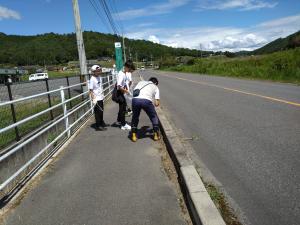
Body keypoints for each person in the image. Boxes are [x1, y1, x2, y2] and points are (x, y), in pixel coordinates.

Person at [130, 77, 160, 142]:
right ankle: (155, 135)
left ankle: (134, 136)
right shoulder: (155, 87)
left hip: (135, 100)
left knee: (135, 117)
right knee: (153, 116)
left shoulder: (141, 82)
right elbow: (157, 103)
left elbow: (135, 91)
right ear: (155, 83)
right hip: (146, 101)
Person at [116, 60, 135, 130]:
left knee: (123, 109)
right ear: (126, 67)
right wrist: (127, 91)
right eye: (129, 69)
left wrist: (126, 90)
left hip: (122, 93)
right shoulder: (121, 74)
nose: (129, 70)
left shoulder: (123, 73)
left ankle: (122, 124)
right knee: (122, 110)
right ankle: (123, 124)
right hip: (120, 94)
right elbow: (119, 86)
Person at [89, 65, 107, 131]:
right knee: (98, 112)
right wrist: (93, 99)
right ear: (93, 72)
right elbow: (90, 90)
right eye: (97, 71)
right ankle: (98, 126)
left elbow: (100, 87)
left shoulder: (99, 77)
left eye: (99, 71)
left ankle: (101, 122)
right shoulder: (92, 79)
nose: (99, 72)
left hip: (100, 97)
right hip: (96, 98)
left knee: (101, 111)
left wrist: (103, 95)